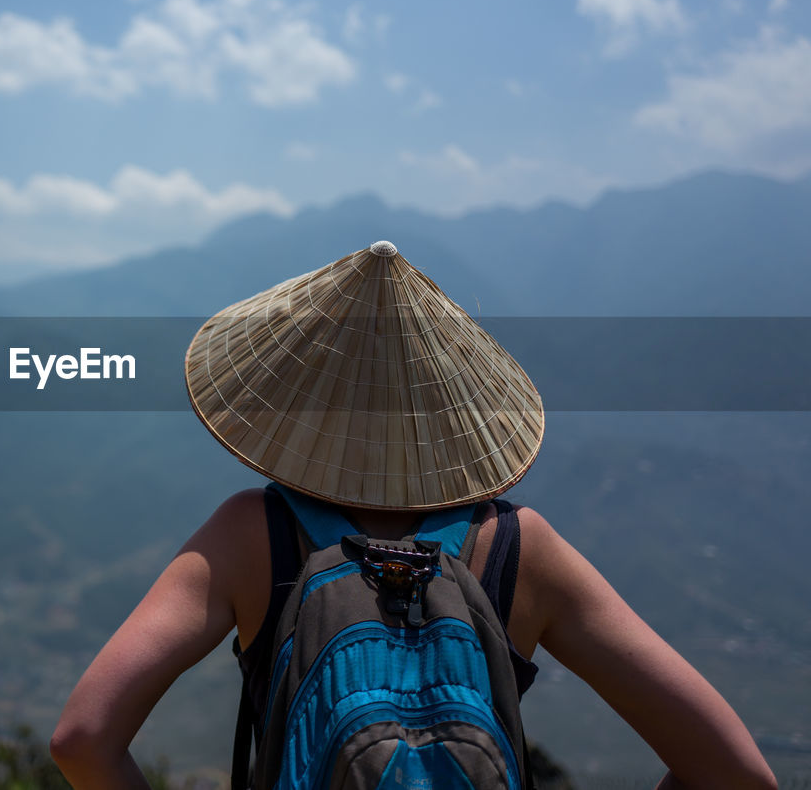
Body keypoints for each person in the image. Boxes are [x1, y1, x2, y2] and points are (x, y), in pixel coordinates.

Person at [50, 242, 777, 789]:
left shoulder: (253, 535)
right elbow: (736, 772)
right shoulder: (521, 548)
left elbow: (82, 737)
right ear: (452, 405)